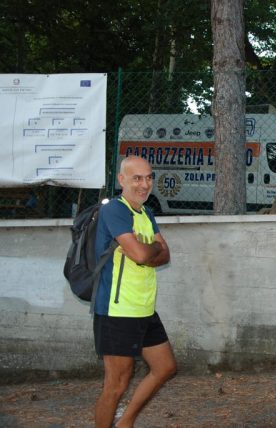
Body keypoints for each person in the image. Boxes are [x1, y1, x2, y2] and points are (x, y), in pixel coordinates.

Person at [93, 156, 176, 428]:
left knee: (165, 367)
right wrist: (151, 249)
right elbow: (143, 254)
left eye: (149, 177)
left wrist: (148, 250)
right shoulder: (115, 210)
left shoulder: (146, 212)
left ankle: (125, 422)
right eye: (137, 178)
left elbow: (164, 255)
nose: (144, 184)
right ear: (122, 180)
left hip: (144, 308)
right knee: (116, 385)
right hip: (117, 311)